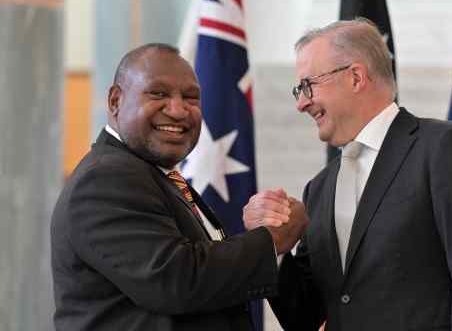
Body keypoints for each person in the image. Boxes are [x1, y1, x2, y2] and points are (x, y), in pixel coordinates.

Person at [244, 18, 452, 331]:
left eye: (308, 85)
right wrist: (274, 249)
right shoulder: (319, 189)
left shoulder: (444, 148)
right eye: (297, 91)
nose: (302, 103)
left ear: (356, 77)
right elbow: (308, 317)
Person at [50, 43, 306, 331]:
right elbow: (175, 280)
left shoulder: (156, 175)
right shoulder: (105, 178)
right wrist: (272, 240)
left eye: (190, 98)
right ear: (115, 101)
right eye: (158, 94)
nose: (178, 110)